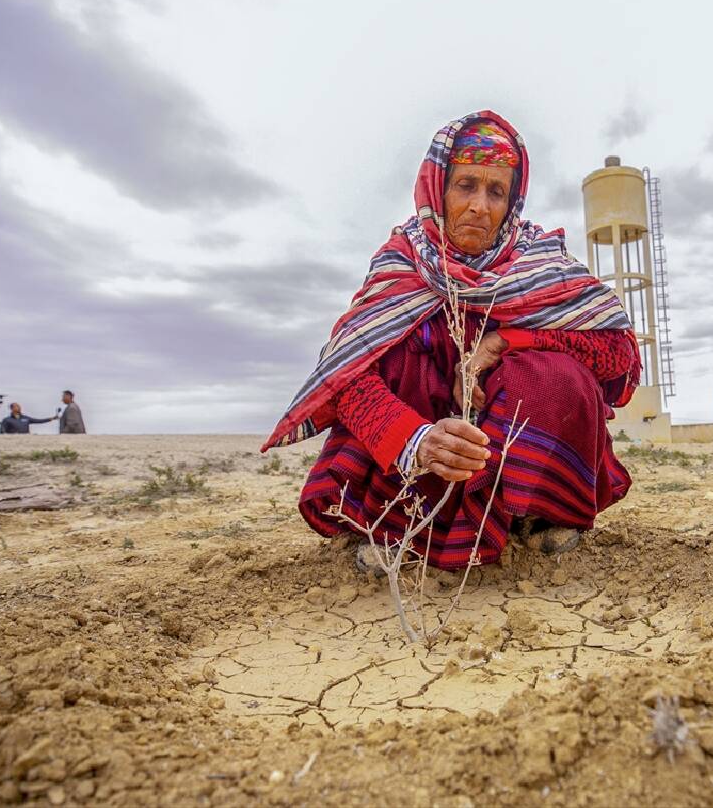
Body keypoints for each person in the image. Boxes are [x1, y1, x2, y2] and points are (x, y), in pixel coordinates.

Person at [265, 111, 640, 571]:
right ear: (438, 188)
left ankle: (537, 512)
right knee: (397, 355)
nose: (480, 205)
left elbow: (615, 354)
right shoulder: (401, 265)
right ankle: (398, 524)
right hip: (421, 465)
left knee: (552, 369)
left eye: (496, 191)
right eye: (466, 186)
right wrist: (413, 439)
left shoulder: (540, 263)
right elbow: (347, 378)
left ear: (513, 201)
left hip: (507, 450)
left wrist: (506, 340)